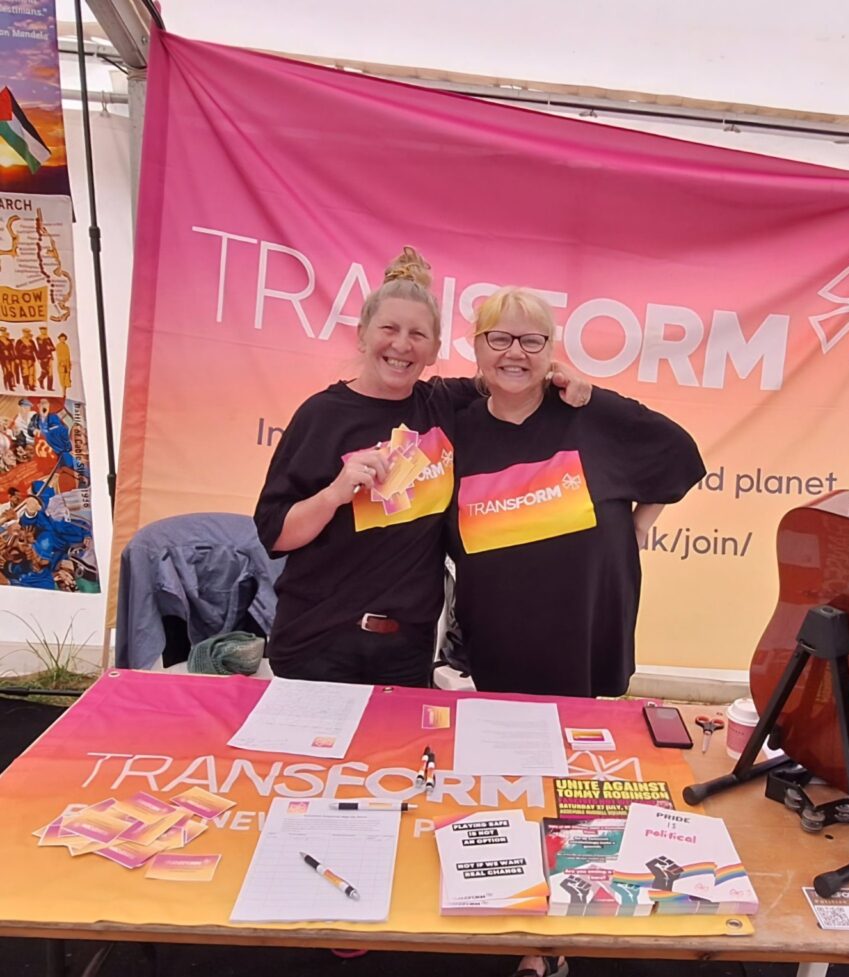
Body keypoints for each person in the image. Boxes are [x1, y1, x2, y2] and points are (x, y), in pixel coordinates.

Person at [449, 287, 704, 977]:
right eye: (500, 339)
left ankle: (557, 931)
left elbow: (682, 458)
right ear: (476, 348)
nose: (515, 353)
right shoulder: (458, 428)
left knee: (577, 783)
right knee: (507, 778)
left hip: (588, 632)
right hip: (501, 637)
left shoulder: (590, 416)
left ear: (553, 352)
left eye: (532, 341)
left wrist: (641, 521)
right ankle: (509, 909)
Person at [254, 249, 589, 687]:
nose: (401, 344)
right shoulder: (322, 416)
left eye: (418, 335)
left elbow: (508, 371)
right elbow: (275, 534)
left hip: (405, 651)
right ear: (361, 335)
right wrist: (335, 493)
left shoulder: (443, 405)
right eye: (389, 329)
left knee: (394, 756)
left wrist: (560, 373)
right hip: (318, 644)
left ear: (433, 351)